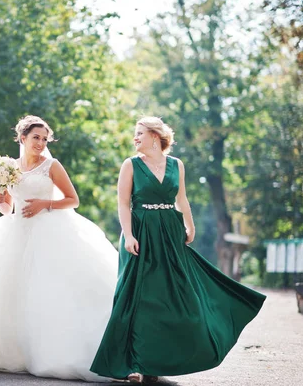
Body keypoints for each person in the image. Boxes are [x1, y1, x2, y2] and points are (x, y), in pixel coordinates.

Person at [90, 116, 266, 383]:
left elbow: (181, 198)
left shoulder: (176, 165)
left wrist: (190, 225)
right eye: (135, 133)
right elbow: (123, 203)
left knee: (170, 297)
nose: (135, 138)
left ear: (155, 136)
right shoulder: (131, 165)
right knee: (135, 297)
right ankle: (131, 363)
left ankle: (155, 360)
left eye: (139, 133)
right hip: (140, 234)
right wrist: (128, 235)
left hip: (170, 233)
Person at [0, 115, 119, 382]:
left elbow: (73, 200)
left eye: (44, 139)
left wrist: (44, 204)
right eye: (36, 137)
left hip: (50, 230)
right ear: (22, 138)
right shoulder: (9, 167)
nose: (40, 143)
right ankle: (16, 352)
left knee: (48, 289)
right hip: (17, 231)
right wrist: (0, 200)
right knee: (11, 290)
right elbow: (8, 207)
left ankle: (56, 349)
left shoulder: (52, 165)